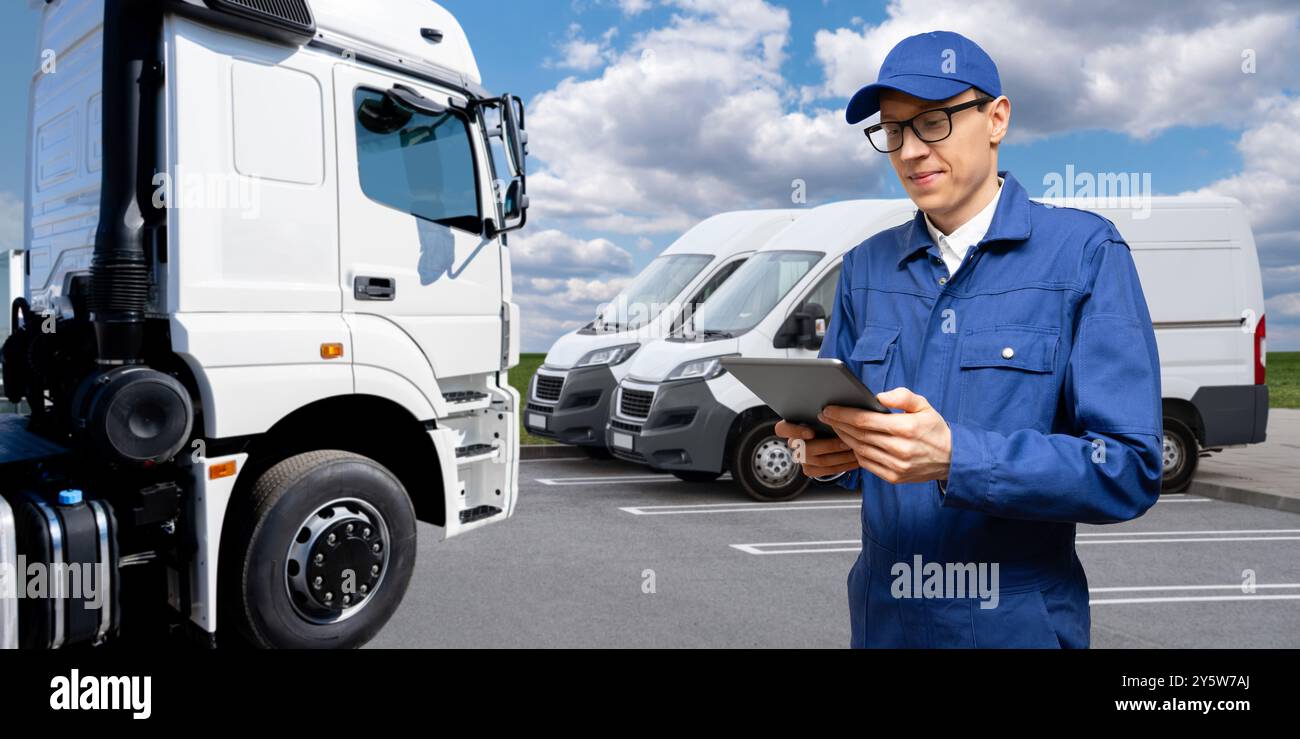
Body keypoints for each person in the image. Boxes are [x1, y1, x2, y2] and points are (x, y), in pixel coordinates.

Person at [774, 30, 1163, 648]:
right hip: (885, 621)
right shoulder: (867, 267)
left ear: (996, 119)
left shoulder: (1086, 253)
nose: (909, 151)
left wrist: (959, 458)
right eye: (893, 131)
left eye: (932, 122)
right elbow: (849, 435)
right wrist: (825, 457)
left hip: (1017, 626)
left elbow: (1129, 469)